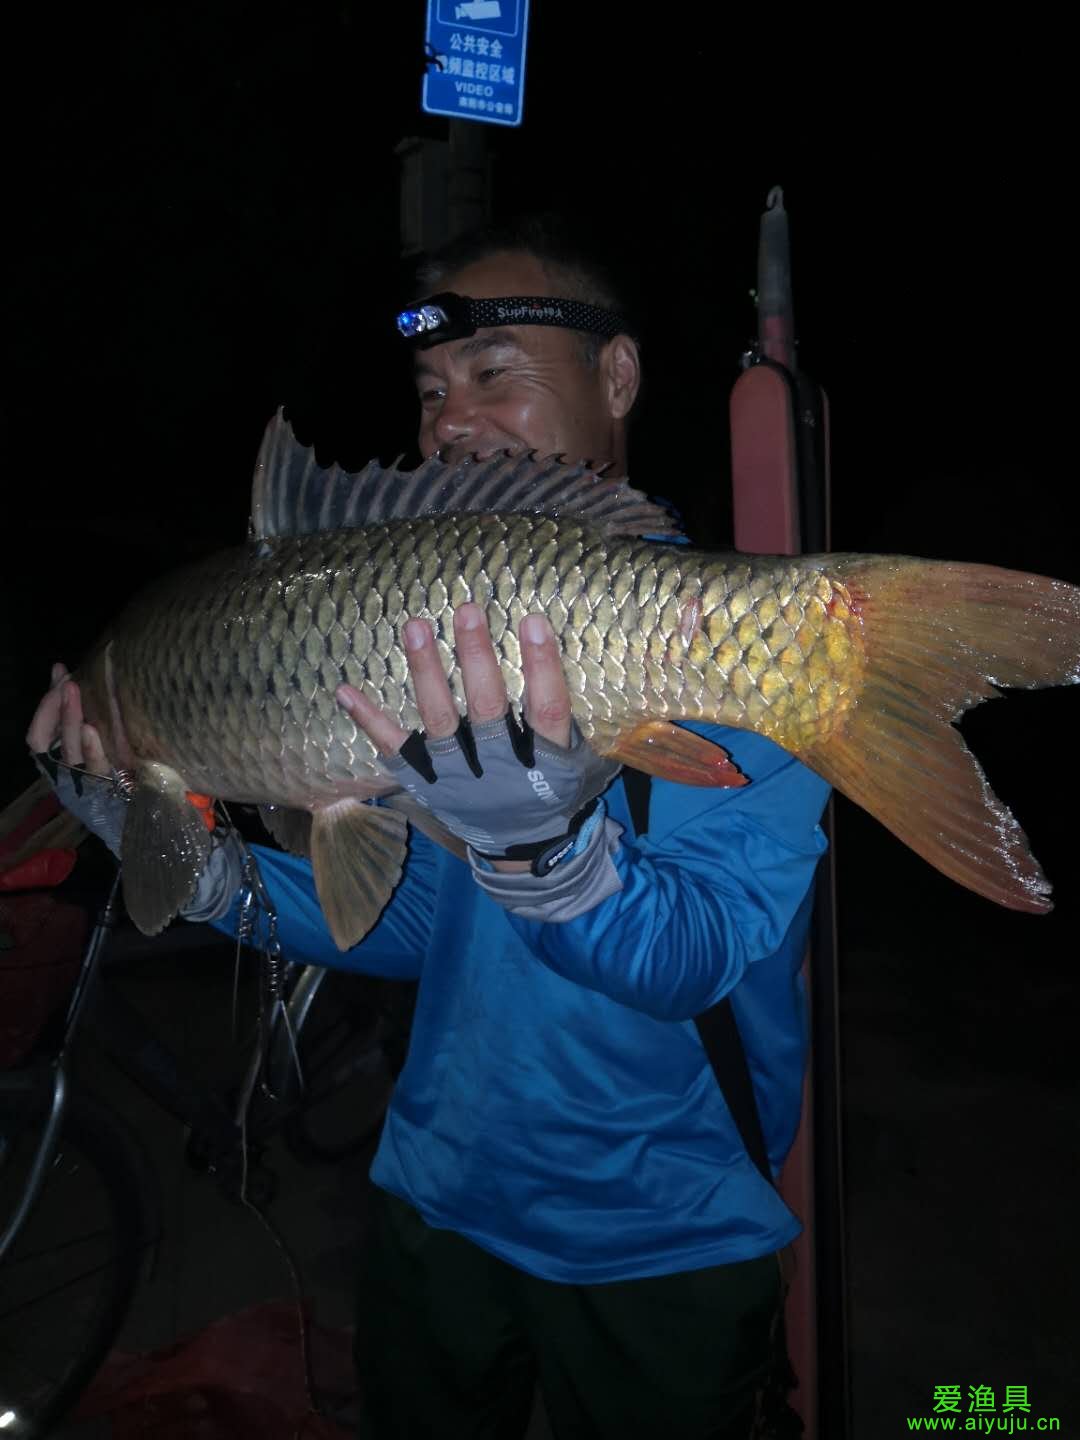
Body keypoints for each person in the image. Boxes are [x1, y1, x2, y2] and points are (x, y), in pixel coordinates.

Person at [27, 215, 831, 1439]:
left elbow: (703, 957)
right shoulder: (409, 642)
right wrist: (197, 876)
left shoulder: (729, 647)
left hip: (662, 1236)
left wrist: (549, 860)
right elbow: (408, 924)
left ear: (615, 379)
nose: (452, 421)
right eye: (431, 390)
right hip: (432, 1205)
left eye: (495, 372)